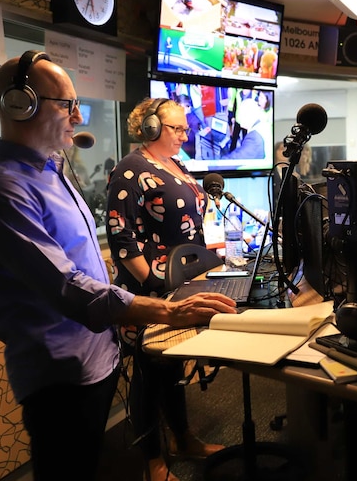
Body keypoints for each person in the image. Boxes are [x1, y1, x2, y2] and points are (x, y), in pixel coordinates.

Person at [0, 52, 236, 481]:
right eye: (67, 104)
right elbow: (66, 286)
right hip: (59, 373)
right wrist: (166, 309)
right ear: (20, 104)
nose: (78, 114)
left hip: (96, 356)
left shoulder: (53, 171)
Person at [107, 97, 222, 481]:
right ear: (151, 127)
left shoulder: (175, 165)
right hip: (149, 289)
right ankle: (153, 462)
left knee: (172, 366)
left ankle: (183, 439)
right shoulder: (131, 169)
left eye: (186, 128)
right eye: (177, 128)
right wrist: (151, 282)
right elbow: (120, 234)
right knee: (148, 375)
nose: (184, 135)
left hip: (181, 284)